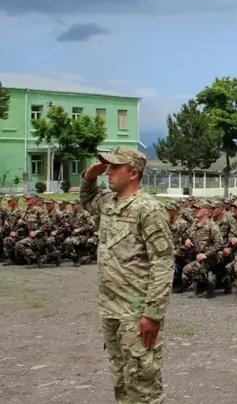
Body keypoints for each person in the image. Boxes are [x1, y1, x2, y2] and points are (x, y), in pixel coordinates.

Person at [80, 146, 174, 404]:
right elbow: (87, 199)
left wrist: (153, 314)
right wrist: (90, 175)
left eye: (114, 167)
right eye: (108, 166)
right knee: (121, 380)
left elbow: (163, 263)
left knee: (143, 385)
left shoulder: (148, 209)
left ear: (133, 173)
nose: (108, 171)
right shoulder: (109, 203)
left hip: (136, 313)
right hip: (111, 309)